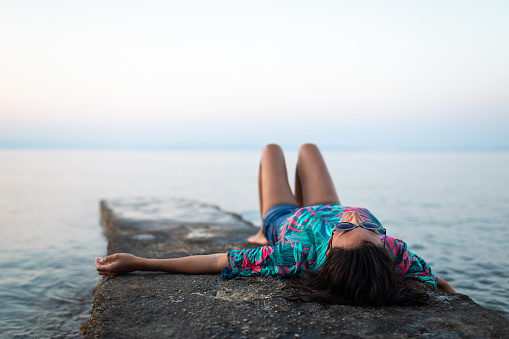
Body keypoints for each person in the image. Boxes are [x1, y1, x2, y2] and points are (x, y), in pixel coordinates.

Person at [95, 143, 455, 305]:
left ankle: (260, 229)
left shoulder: (292, 254)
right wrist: (456, 298)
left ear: (329, 252)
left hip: (285, 219)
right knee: (309, 149)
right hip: (324, 205)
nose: (354, 219)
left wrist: (140, 263)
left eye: (345, 230)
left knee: (271, 151)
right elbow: (434, 280)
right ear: (381, 247)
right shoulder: (390, 251)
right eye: (367, 228)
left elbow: (215, 261)